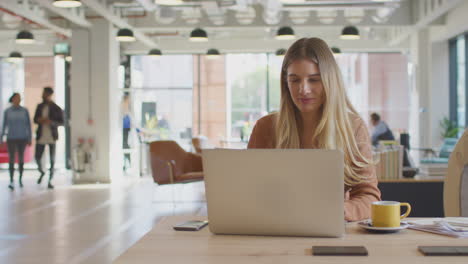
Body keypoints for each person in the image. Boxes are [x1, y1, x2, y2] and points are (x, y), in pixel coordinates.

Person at [247, 38, 381, 222]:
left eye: (314, 80)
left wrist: (342, 210)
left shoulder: (353, 127)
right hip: (275, 227)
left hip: (329, 227)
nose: (303, 89)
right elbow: (250, 190)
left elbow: (369, 197)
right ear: (286, 83)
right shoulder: (266, 127)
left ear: (329, 81)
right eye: (294, 80)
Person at [34, 87, 64, 189]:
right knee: (37, 157)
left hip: (52, 136)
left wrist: (51, 122)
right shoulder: (40, 106)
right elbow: (35, 119)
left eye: (45, 93)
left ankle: (50, 180)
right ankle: (42, 172)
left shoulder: (56, 108)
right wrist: (40, 120)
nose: (43, 95)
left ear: (49, 94)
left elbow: (62, 122)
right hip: (41, 135)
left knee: (52, 160)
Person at [1, 93, 31, 190]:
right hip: (11, 138)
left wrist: (29, 138)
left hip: (22, 138)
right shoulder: (8, 111)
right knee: (12, 159)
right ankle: (11, 180)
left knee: (21, 159)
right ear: (13, 99)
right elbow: (4, 126)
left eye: (19, 98)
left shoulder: (24, 111)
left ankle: (20, 179)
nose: (18, 99)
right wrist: (1, 139)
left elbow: (28, 125)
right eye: (16, 97)